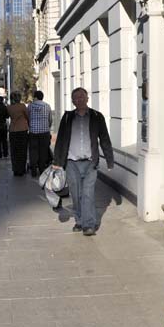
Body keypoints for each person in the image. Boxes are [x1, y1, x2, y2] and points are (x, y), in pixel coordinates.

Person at [51, 87, 114, 236]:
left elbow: (104, 139)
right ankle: (79, 221)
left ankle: (88, 224)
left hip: (90, 163)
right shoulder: (67, 118)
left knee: (88, 194)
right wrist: (57, 162)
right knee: (76, 194)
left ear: (87, 98)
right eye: (76, 98)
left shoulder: (97, 116)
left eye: (82, 97)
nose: (79, 100)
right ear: (73, 101)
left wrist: (109, 160)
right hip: (71, 163)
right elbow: (60, 141)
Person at [27, 90, 53, 176]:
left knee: (33, 151)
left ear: (35, 97)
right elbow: (50, 120)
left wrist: (30, 126)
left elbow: (28, 117)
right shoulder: (47, 106)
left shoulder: (30, 106)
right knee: (43, 151)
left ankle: (33, 170)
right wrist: (47, 127)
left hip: (33, 132)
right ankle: (42, 170)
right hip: (44, 132)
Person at [6, 92, 29, 176]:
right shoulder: (22, 106)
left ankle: (15, 169)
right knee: (22, 151)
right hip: (22, 130)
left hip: (13, 131)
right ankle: (21, 169)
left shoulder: (9, 108)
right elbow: (27, 116)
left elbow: (7, 116)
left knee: (14, 151)